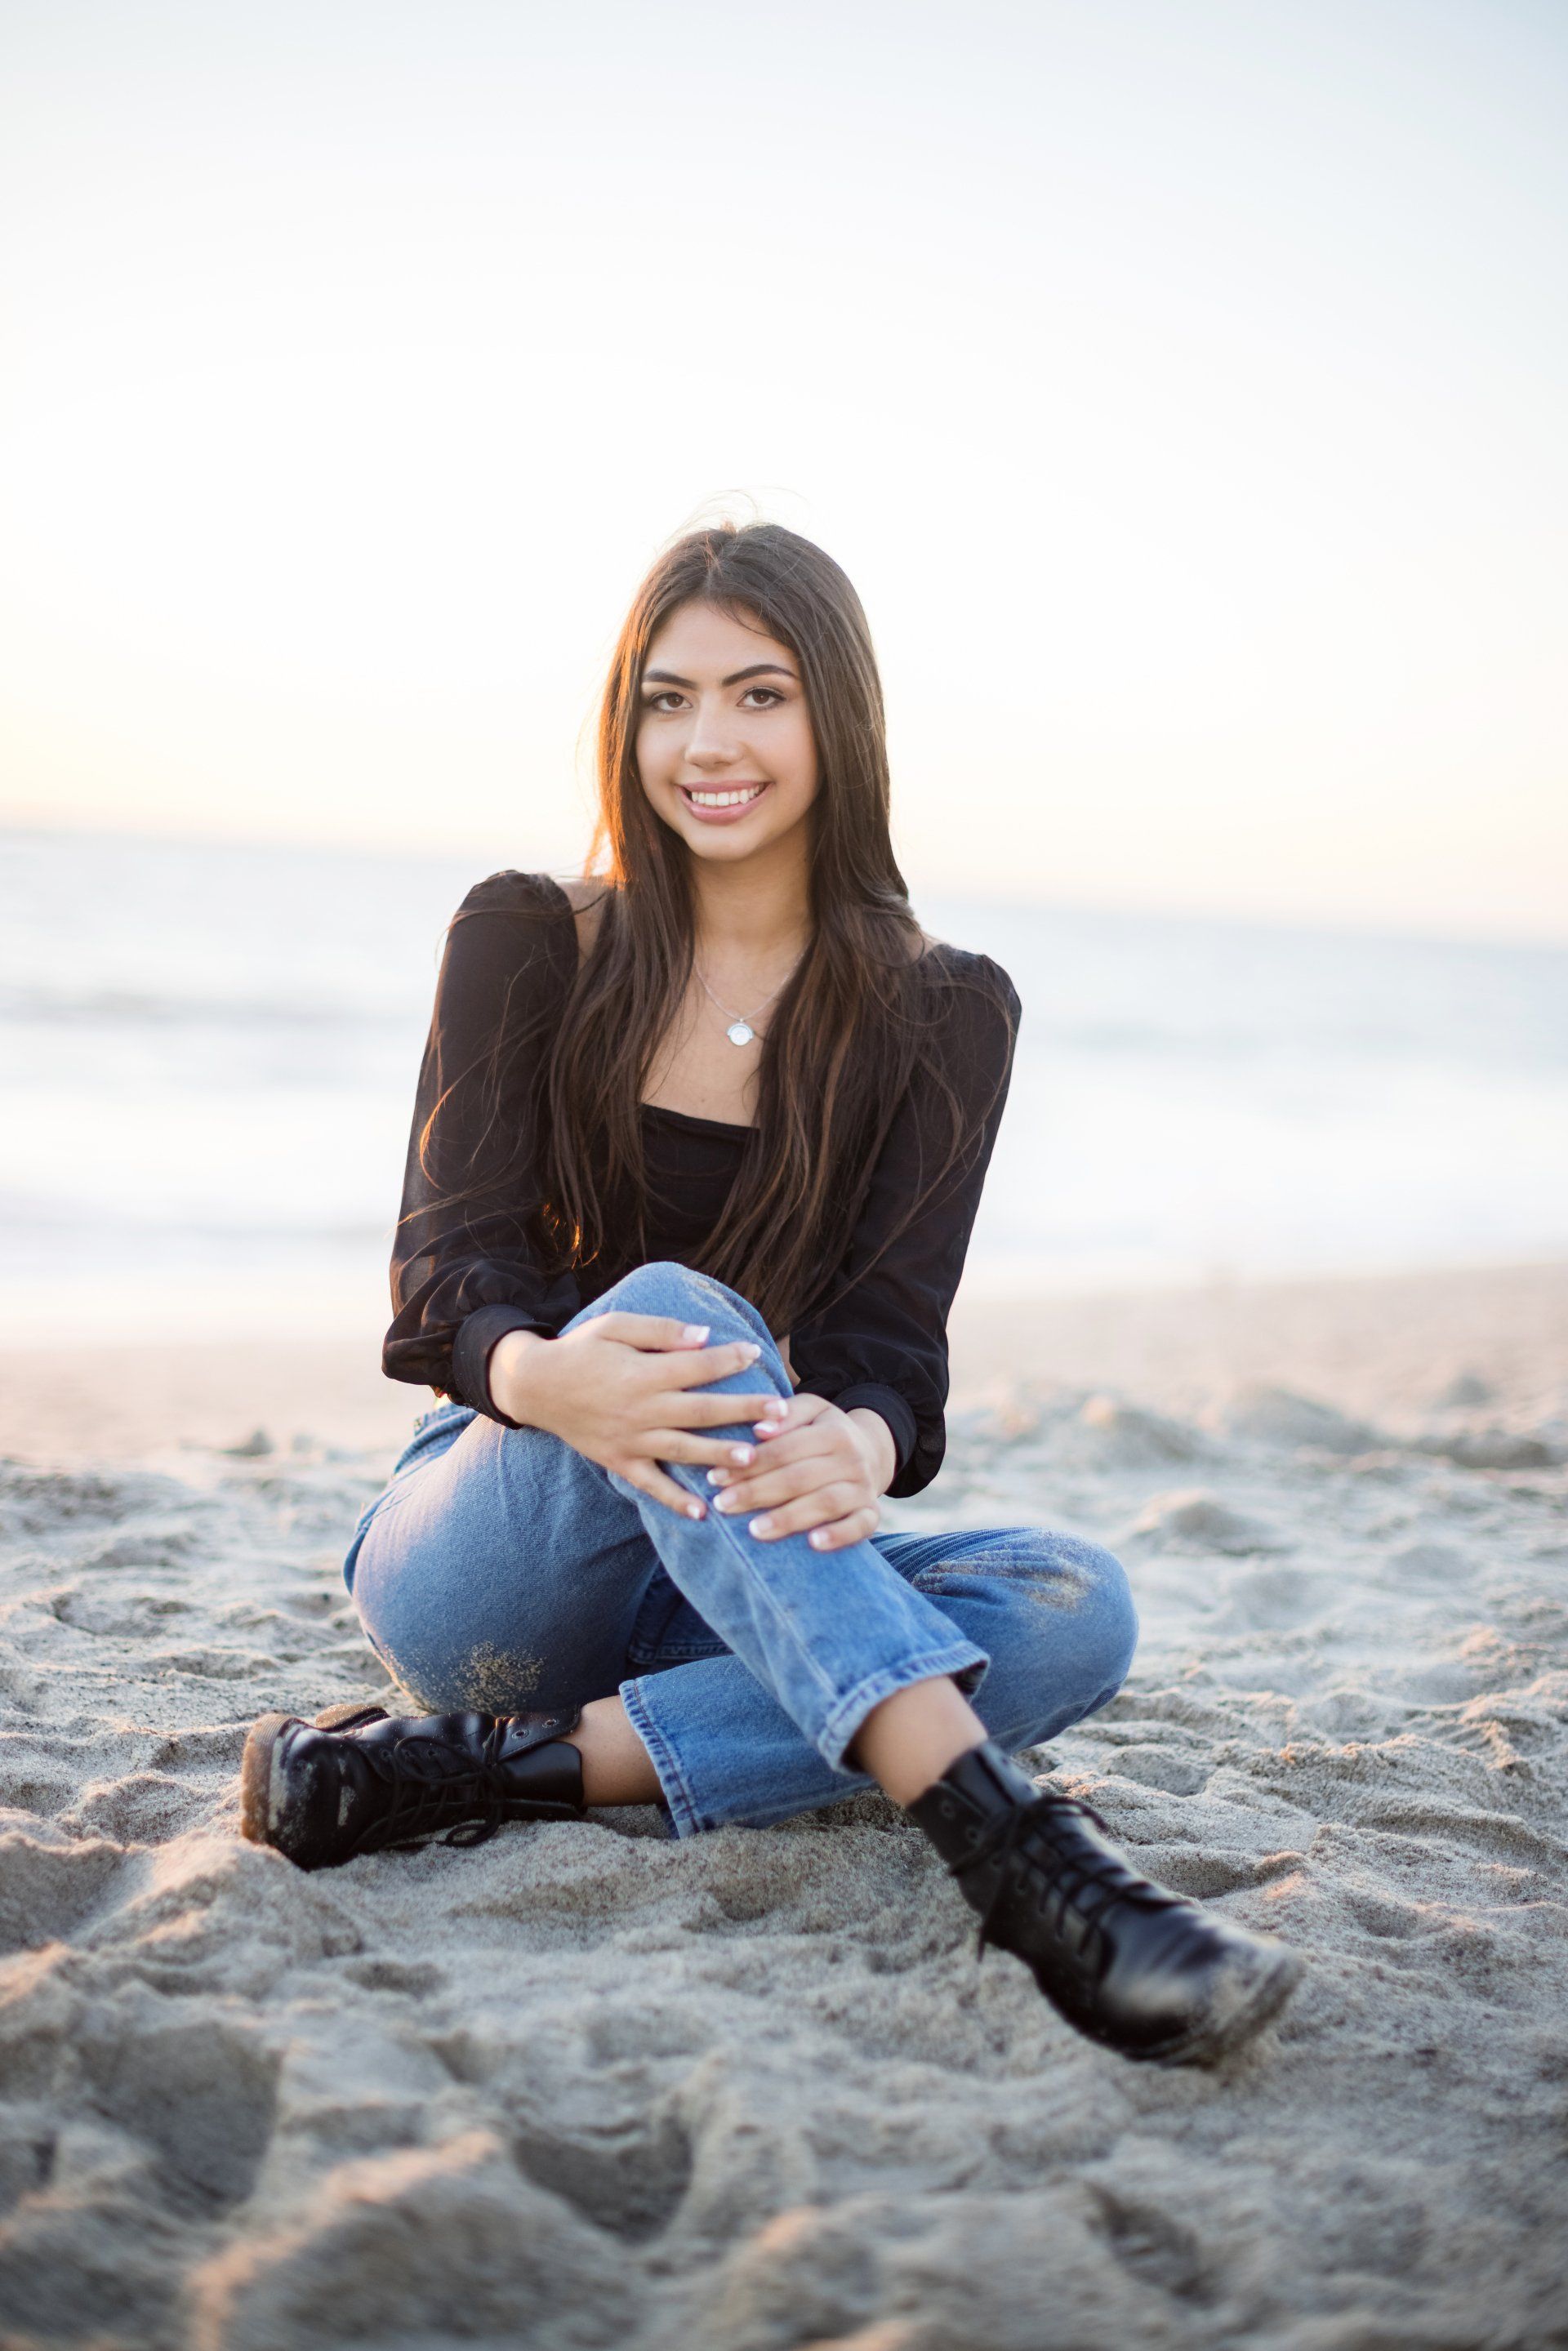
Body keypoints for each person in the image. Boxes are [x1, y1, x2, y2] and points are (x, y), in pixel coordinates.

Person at [239, 523, 1301, 2065]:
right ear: (628, 726)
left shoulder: (945, 1013)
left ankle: (470, 1776)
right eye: (667, 701)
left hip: (718, 1572)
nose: (707, 743)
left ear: (836, 721)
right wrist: (553, 1379)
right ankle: (1016, 1855)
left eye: (759, 693)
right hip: (492, 1554)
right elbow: (443, 1275)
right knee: (679, 1301)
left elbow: (888, 1353)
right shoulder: (532, 938)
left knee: (1076, 1603)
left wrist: (855, 1449)